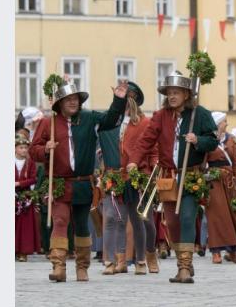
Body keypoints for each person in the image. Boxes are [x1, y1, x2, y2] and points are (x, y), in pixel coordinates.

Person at [30, 79, 128, 282]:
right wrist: (45, 149)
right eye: (68, 99)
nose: (73, 102)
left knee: (82, 225)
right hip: (58, 182)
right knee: (59, 220)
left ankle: (82, 267)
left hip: (83, 183)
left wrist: (118, 100)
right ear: (59, 103)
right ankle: (59, 266)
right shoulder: (48, 123)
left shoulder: (89, 118)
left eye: (76, 99)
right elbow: (33, 151)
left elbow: (111, 120)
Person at [127, 71, 218, 283]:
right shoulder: (160, 116)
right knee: (173, 223)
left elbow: (213, 140)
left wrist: (198, 141)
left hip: (191, 175)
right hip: (168, 177)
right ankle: (183, 262)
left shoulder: (200, 114)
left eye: (176, 92)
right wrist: (134, 160)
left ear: (187, 94)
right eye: (169, 93)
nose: (172, 96)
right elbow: (145, 140)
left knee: (187, 217)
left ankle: (185, 267)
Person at [96, 81, 151, 276]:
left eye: (127, 98)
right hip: (112, 174)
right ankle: (113, 261)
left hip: (134, 176)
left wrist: (145, 174)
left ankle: (141, 260)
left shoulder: (144, 123)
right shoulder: (110, 120)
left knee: (136, 220)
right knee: (112, 218)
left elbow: (151, 150)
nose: (123, 101)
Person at [121, 83, 160, 274]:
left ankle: (151, 253)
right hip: (125, 176)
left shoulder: (145, 123)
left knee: (147, 220)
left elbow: (153, 150)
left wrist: (154, 172)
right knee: (135, 221)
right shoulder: (118, 122)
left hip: (144, 175)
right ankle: (140, 260)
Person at [205, 111, 236, 264]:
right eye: (224, 121)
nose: (227, 124)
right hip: (214, 181)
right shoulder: (208, 140)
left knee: (234, 214)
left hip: (230, 181)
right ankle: (216, 251)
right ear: (217, 124)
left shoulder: (230, 141)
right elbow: (203, 162)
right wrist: (205, 175)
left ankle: (233, 250)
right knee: (216, 216)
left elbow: (235, 163)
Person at [16, 134, 40, 262]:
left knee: (25, 226)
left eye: (25, 148)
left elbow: (33, 178)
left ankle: (23, 251)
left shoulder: (30, 163)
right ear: (15, 149)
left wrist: (19, 184)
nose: (24, 150)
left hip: (25, 196)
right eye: (21, 148)